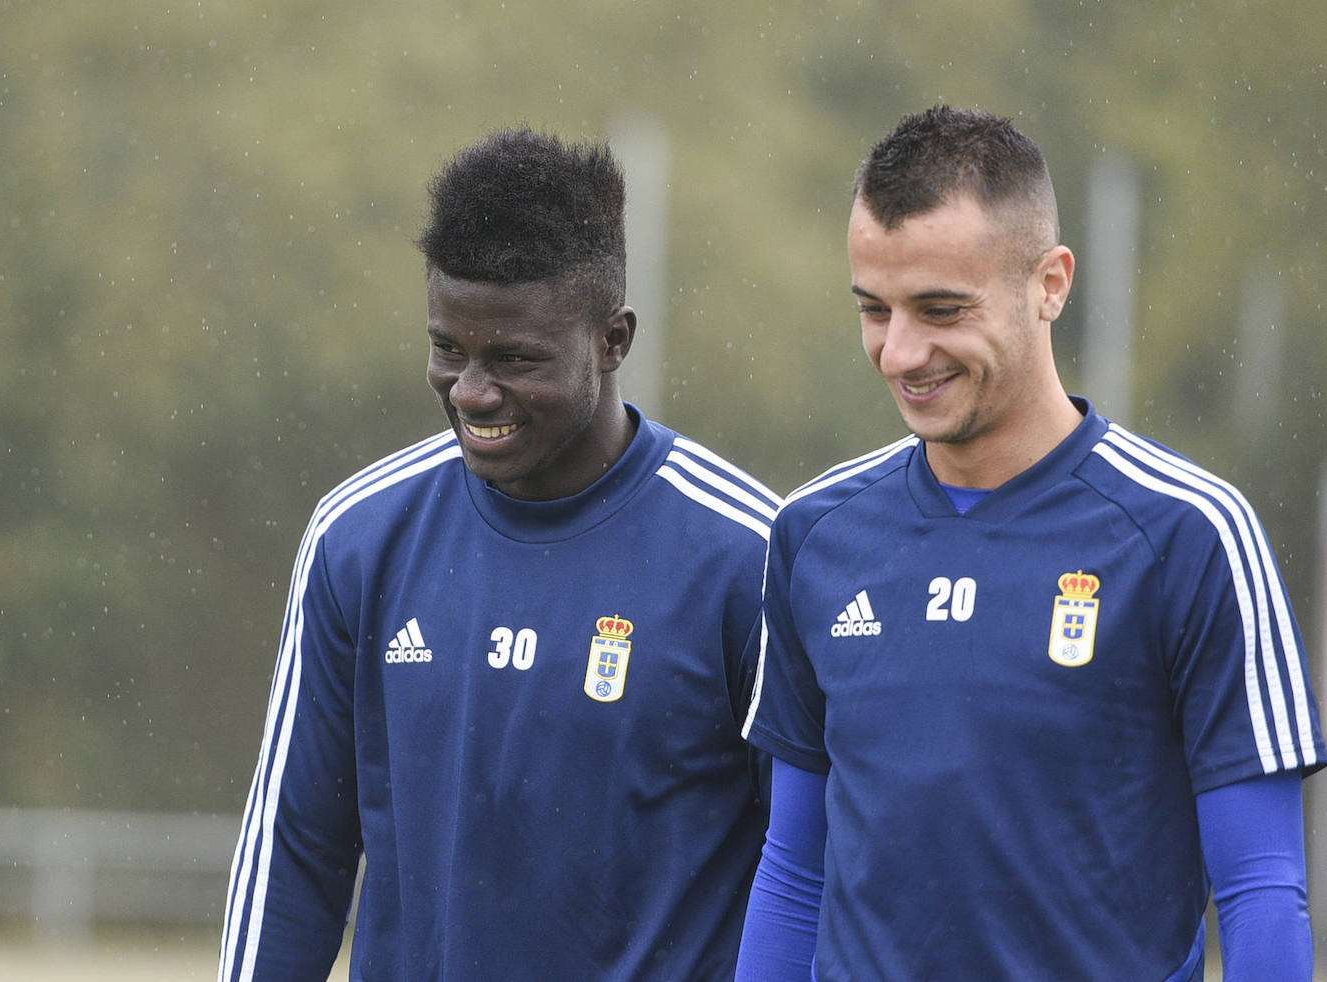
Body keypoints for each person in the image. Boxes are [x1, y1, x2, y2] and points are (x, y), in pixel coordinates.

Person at [736, 105, 1324, 981]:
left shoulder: (1190, 533)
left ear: (1050, 283)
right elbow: (793, 871)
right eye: (874, 309)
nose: (900, 352)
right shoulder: (815, 533)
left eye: (940, 309)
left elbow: (1261, 887)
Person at [218, 126, 780, 981]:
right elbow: (295, 848)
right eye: (449, 349)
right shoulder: (360, 537)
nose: (474, 393)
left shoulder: (750, 556)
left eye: (516, 359)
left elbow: (811, 865)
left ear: (613, 340)